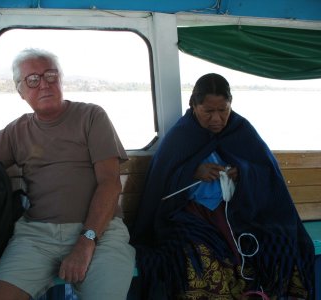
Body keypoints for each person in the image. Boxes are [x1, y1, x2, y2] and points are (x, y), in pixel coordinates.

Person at [0, 48, 136, 300]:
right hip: (37, 236)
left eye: (50, 75)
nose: (44, 84)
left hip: (100, 232)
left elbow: (110, 183)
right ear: (20, 91)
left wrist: (86, 240)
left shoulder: (91, 116)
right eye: (33, 80)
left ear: (60, 80)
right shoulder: (17, 131)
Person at [131, 73, 314, 299]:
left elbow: (267, 173)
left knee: (279, 241)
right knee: (199, 254)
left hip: (239, 211)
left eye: (223, 110)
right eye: (208, 111)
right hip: (190, 214)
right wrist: (192, 172)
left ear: (230, 105)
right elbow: (160, 186)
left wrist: (243, 173)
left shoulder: (241, 130)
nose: (216, 119)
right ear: (194, 106)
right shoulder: (181, 136)